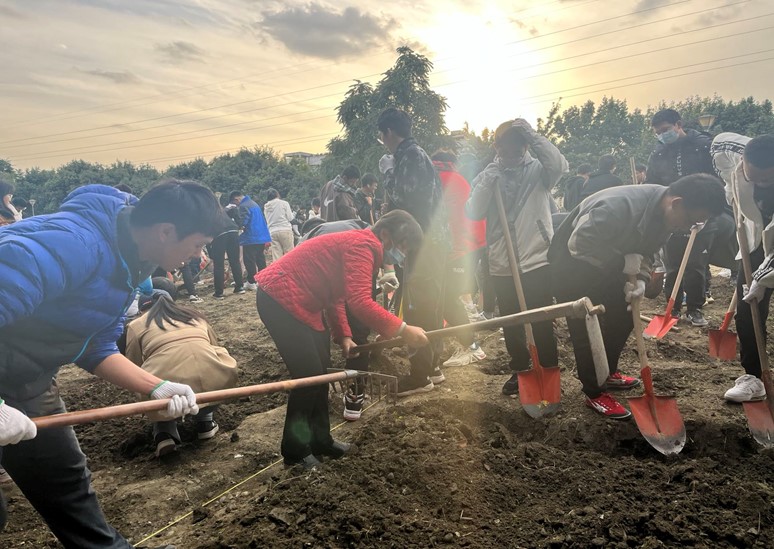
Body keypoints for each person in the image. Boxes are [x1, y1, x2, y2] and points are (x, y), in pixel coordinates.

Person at [0, 180, 222, 548]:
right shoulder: (71, 245)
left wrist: (156, 386)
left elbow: (96, 345)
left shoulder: (131, 262)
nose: (199, 256)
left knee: (66, 484)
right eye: (198, 244)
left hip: (27, 380)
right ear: (166, 231)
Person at [255, 210, 430, 469]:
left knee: (321, 374)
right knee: (308, 376)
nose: (401, 256)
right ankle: (295, 451)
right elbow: (360, 302)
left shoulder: (362, 246)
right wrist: (403, 329)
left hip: (304, 303)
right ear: (385, 235)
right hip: (280, 298)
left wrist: (344, 335)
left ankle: (321, 441)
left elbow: (337, 296)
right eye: (402, 247)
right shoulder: (364, 245)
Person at [549, 175, 727, 418]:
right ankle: (594, 392)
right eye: (690, 221)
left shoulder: (666, 214)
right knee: (588, 326)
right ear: (676, 203)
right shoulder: (616, 207)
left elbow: (648, 252)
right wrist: (622, 263)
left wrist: (641, 278)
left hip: (611, 265)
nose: (688, 228)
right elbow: (579, 244)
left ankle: (607, 372)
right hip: (572, 266)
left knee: (625, 313)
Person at [466, 119, 567, 396]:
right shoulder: (489, 175)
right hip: (502, 261)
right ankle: (521, 368)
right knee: (511, 322)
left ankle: (547, 368)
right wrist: (488, 180)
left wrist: (532, 135)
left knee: (541, 318)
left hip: (537, 258)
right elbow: (473, 211)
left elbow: (559, 165)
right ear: (497, 147)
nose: (511, 153)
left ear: (525, 146)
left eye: (517, 146)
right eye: (505, 147)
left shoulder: (540, 171)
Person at [378, 107, 448, 396]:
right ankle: (432, 367)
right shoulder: (417, 156)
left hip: (423, 243)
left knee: (419, 306)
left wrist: (387, 173)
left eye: (382, 135)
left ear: (388, 132)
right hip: (430, 242)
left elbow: (402, 198)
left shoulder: (409, 157)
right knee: (430, 304)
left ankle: (421, 375)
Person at [125, 292, 238, 456]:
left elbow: (133, 365)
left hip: (168, 397)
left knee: (146, 380)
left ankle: (164, 432)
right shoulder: (195, 316)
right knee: (208, 368)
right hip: (218, 383)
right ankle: (205, 422)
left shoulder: (136, 325)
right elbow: (213, 344)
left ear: (141, 310)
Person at [646, 108, 724, 327]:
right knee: (672, 264)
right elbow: (653, 183)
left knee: (696, 264)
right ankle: (672, 307)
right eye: (658, 133)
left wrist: (708, 211)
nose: (662, 136)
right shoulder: (659, 153)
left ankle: (694, 308)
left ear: (678, 124)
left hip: (701, 213)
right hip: (673, 214)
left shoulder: (704, 146)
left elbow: (718, 180)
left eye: (665, 130)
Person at [712, 132, 774, 402]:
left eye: (766, 180)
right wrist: (731, 186)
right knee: (749, 308)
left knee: (758, 285)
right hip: (757, 238)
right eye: (752, 177)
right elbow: (718, 144)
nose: (758, 183)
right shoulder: (733, 150)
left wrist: (763, 277)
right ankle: (754, 377)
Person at [431, 151, 488, 367]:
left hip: (460, 247)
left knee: (446, 299)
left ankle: (472, 347)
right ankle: (464, 341)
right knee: (449, 296)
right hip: (470, 244)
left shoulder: (440, 180)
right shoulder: (456, 178)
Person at [229, 191, 271, 290]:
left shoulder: (244, 206)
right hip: (261, 236)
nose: (237, 205)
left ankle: (252, 281)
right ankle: (264, 280)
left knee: (249, 260)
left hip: (251, 237)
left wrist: (235, 219)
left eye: (235, 203)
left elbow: (243, 222)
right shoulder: (253, 203)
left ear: (236, 199)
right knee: (260, 259)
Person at [208, 207, 245, 299]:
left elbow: (206, 237)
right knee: (235, 261)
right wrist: (239, 224)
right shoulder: (221, 210)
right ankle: (240, 287)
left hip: (219, 234)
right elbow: (234, 210)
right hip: (233, 230)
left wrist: (211, 253)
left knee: (219, 264)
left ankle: (219, 292)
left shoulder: (206, 213)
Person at [263, 188, 295, 261]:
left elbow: (267, 219)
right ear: (277, 194)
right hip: (285, 229)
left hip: (272, 232)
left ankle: (278, 268)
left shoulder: (266, 206)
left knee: (277, 256)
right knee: (289, 253)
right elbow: (290, 218)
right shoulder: (284, 203)